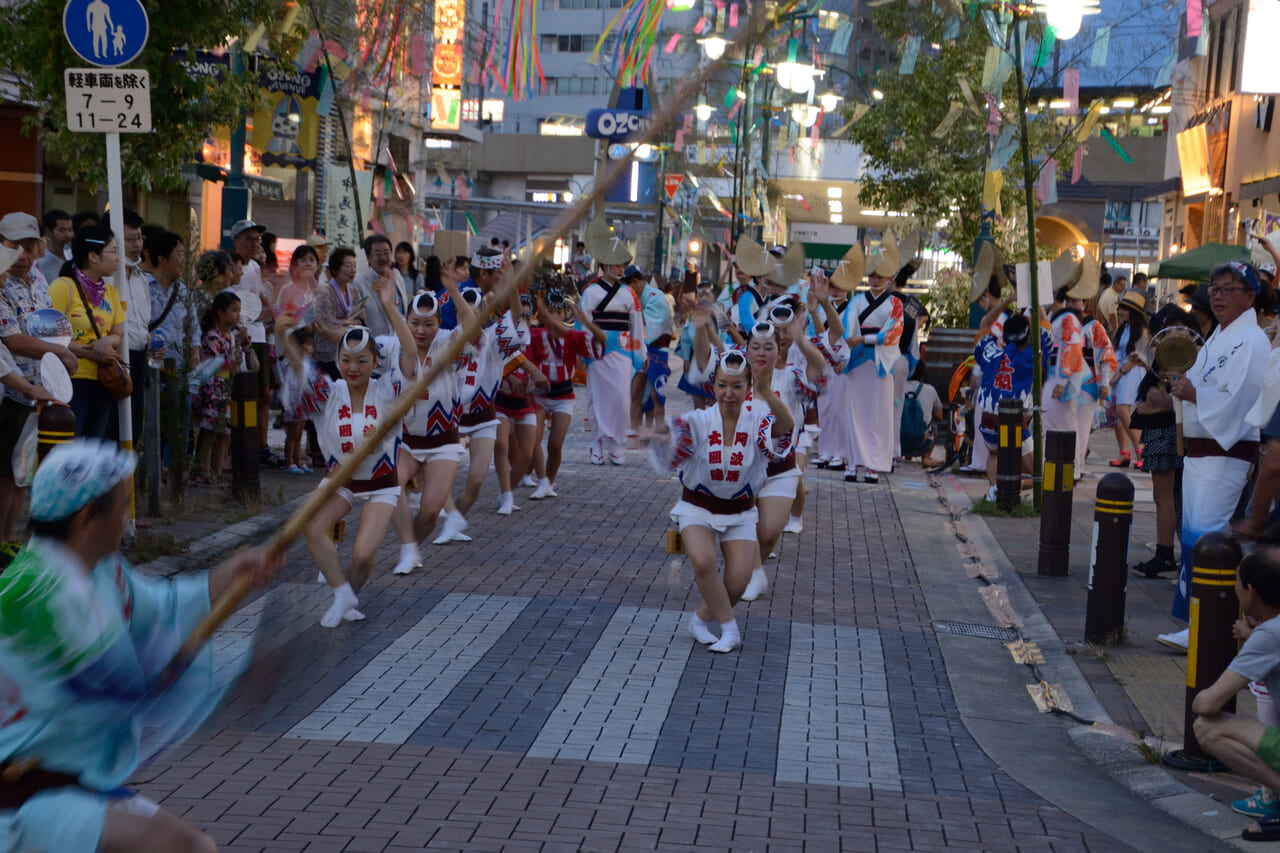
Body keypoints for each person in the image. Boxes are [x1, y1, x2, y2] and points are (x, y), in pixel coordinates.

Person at [0, 439, 281, 853]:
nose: (128, 514)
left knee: (195, 848)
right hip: (23, 797)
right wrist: (240, 681)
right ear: (85, 517)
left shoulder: (100, 569)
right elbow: (127, 691)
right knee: (186, 848)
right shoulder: (43, 595)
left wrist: (231, 571)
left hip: (69, 785)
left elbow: (162, 609)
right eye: (122, 503)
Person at [280, 276, 418, 627]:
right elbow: (303, 373)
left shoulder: (389, 390)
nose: (353, 368)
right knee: (312, 527)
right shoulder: (331, 391)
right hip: (341, 479)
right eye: (346, 360)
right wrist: (286, 339)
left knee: (363, 556)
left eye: (361, 361)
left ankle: (349, 594)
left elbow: (411, 355)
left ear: (375, 361)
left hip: (382, 483)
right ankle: (341, 593)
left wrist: (389, 307)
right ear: (338, 361)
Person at [649, 349, 795, 653]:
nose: (729, 393)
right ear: (713, 386)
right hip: (697, 506)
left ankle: (699, 620)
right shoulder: (697, 420)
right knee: (703, 561)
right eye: (723, 385)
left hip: (740, 511)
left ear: (747, 388)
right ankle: (730, 631)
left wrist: (766, 391)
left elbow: (785, 427)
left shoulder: (758, 421)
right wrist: (660, 438)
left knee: (739, 583)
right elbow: (671, 446)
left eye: (738, 386)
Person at [1159, 262, 1272, 652]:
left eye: (1229, 289)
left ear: (1249, 296)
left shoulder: (1252, 342)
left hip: (1224, 452)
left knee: (1208, 540)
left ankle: (1208, 625)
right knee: (1195, 541)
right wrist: (1184, 388)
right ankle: (1198, 621)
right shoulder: (1220, 337)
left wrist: (1194, 395)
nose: (1219, 296)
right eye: (1216, 289)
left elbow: (1240, 401)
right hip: (1202, 451)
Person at [385, 260, 474, 563]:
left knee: (431, 512)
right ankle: (407, 547)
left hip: (444, 441)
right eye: (414, 323)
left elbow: (472, 329)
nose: (421, 331)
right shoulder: (389, 346)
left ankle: (412, 548)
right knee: (389, 485)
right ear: (405, 320)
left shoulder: (449, 342)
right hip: (406, 441)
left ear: (440, 324)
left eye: (429, 324)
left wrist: (453, 290)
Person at [1190, 545, 1280, 841]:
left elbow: (1208, 704)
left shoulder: (1269, 636)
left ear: (1251, 591)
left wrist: (1199, 694)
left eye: (1236, 583)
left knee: (1206, 727)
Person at [435, 268, 529, 544]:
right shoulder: (447, 339)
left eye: (475, 312)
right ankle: (442, 514)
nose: (470, 318)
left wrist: (511, 281)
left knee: (475, 482)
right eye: (465, 312)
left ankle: (453, 522)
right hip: (449, 416)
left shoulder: (494, 340)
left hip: (484, 417)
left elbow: (516, 315)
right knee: (435, 478)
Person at [0, 239, 75, 543]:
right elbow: (9, 354)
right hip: (16, 400)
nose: (7, 276)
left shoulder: (38, 282)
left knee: (20, 475)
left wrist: (72, 353)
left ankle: (8, 543)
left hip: (30, 395)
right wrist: (32, 388)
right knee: (7, 475)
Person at [1131, 305, 1195, 578]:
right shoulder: (1166, 358)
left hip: (1167, 433)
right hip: (1160, 432)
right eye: (1170, 329)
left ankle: (1166, 552)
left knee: (1166, 497)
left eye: (1181, 328)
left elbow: (1175, 401)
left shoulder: (1184, 359)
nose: (1175, 334)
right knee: (1168, 497)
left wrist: (1152, 406)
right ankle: (1171, 551)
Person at [47, 226, 125, 440]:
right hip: (70, 379)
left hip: (104, 379)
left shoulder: (110, 292)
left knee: (92, 447)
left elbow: (118, 333)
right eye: (113, 251)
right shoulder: (63, 287)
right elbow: (48, 334)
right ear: (93, 256)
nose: (118, 258)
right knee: (69, 444)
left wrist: (105, 342)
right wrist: (85, 350)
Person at [838, 231, 905, 483]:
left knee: (878, 415)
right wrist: (851, 342)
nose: (875, 280)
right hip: (857, 360)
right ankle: (854, 462)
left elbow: (893, 332)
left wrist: (863, 339)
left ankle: (874, 464)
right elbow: (848, 327)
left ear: (889, 278)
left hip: (881, 362)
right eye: (872, 275)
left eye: (880, 276)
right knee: (854, 412)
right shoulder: (856, 301)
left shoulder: (895, 304)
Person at [528, 289, 606, 498]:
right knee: (533, 441)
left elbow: (601, 339)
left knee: (555, 445)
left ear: (564, 314)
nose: (554, 316)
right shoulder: (535, 334)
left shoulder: (573, 337)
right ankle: (542, 480)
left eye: (558, 312)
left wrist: (585, 321)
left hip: (563, 396)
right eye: (550, 311)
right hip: (539, 395)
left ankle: (549, 484)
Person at [579, 218, 645, 466]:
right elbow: (583, 322)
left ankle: (617, 445)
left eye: (622, 266)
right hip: (596, 349)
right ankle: (596, 444)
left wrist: (641, 353)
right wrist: (583, 348)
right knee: (596, 397)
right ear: (605, 264)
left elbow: (636, 324)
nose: (620, 270)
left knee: (621, 397)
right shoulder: (590, 291)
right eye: (616, 266)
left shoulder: (629, 293)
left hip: (623, 350)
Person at [974, 306, 1050, 501]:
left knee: (995, 453)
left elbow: (984, 325)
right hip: (1014, 420)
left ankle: (994, 490)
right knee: (1038, 474)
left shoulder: (990, 352)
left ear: (1005, 336)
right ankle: (1004, 488)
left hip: (989, 417)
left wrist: (1008, 300)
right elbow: (1047, 332)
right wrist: (1038, 308)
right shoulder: (1030, 357)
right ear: (1027, 338)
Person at [227, 220, 278, 469]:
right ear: (235, 240)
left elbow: (260, 296)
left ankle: (262, 446)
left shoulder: (256, 268)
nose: (254, 244)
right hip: (236, 334)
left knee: (263, 393)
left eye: (257, 239)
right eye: (248, 239)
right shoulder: (227, 265)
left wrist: (273, 312)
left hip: (258, 334)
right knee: (236, 392)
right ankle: (236, 447)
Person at [192, 290, 250, 487]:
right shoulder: (212, 338)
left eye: (239, 310)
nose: (237, 315)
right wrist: (231, 364)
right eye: (234, 310)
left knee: (225, 432)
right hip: (212, 389)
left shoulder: (232, 337)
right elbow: (215, 365)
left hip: (226, 389)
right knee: (208, 432)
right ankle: (203, 471)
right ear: (220, 312)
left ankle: (217, 471)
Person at [628, 266, 673, 444]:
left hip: (656, 349)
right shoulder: (629, 297)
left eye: (630, 286)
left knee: (657, 393)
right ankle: (634, 432)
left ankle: (658, 431)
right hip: (639, 349)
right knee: (636, 391)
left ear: (637, 282)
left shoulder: (656, 297)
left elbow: (652, 327)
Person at [1109, 289, 1150, 468]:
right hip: (1118, 370)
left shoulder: (1142, 330)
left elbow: (1137, 357)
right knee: (1118, 416)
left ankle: (1140, 451)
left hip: (1130, 372)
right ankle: (1124, 453)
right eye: (1121, 308)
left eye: (1125, 308)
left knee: (1122, 411)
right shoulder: (1123, 328)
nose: (1121, 312)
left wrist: (1119, 373)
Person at [313, 248, 367, 382]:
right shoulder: (324, 291)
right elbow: (325, 323)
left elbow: (362, 319)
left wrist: (348, 323)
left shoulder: (353, 291)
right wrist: (348, 323)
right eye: (348, 265)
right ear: (335, 269)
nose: (352, 270)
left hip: (349, 351)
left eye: (354, 266)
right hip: (327, 353)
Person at [353, 235, 407, 340]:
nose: (383, 258)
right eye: (377, 253)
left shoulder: (398, 277)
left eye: (386, 253)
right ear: (368, 257)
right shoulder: (358, 284)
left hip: (400, 342)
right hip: (375, 345)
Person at [37, 209, 73, 284]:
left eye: (70, 230)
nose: (68, 235)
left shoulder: (74, 257)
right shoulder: (40, 264)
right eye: (62, 231)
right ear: (48, 232)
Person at [1096, 272, 1125, 337]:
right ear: (1115, 284)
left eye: (1124, 286)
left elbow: (1098, 306)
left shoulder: (1107, 290)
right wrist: (1116, 331)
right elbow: (1112, 316)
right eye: (1121, 285)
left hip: (1102, 323)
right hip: (1108, 328)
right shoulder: (1112, 297)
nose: (1123, 288)